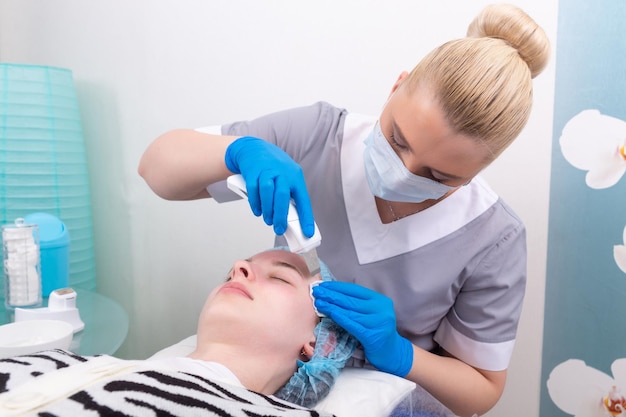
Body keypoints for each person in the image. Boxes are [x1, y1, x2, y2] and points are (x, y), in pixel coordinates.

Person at [138, 4, 550, 416]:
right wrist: (237, 151)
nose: (403, 173)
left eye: (438, 175)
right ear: (396, 86)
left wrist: (400, 353)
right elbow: (155, 167)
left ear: (480, 169)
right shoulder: (317, 137)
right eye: (397, 139)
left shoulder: (494, 238)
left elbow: (481, 388)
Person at [0, 249, 356, 416]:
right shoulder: (58, 362)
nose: (239, 266)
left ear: (315, 345)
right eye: (233, 271)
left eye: (280, 276)